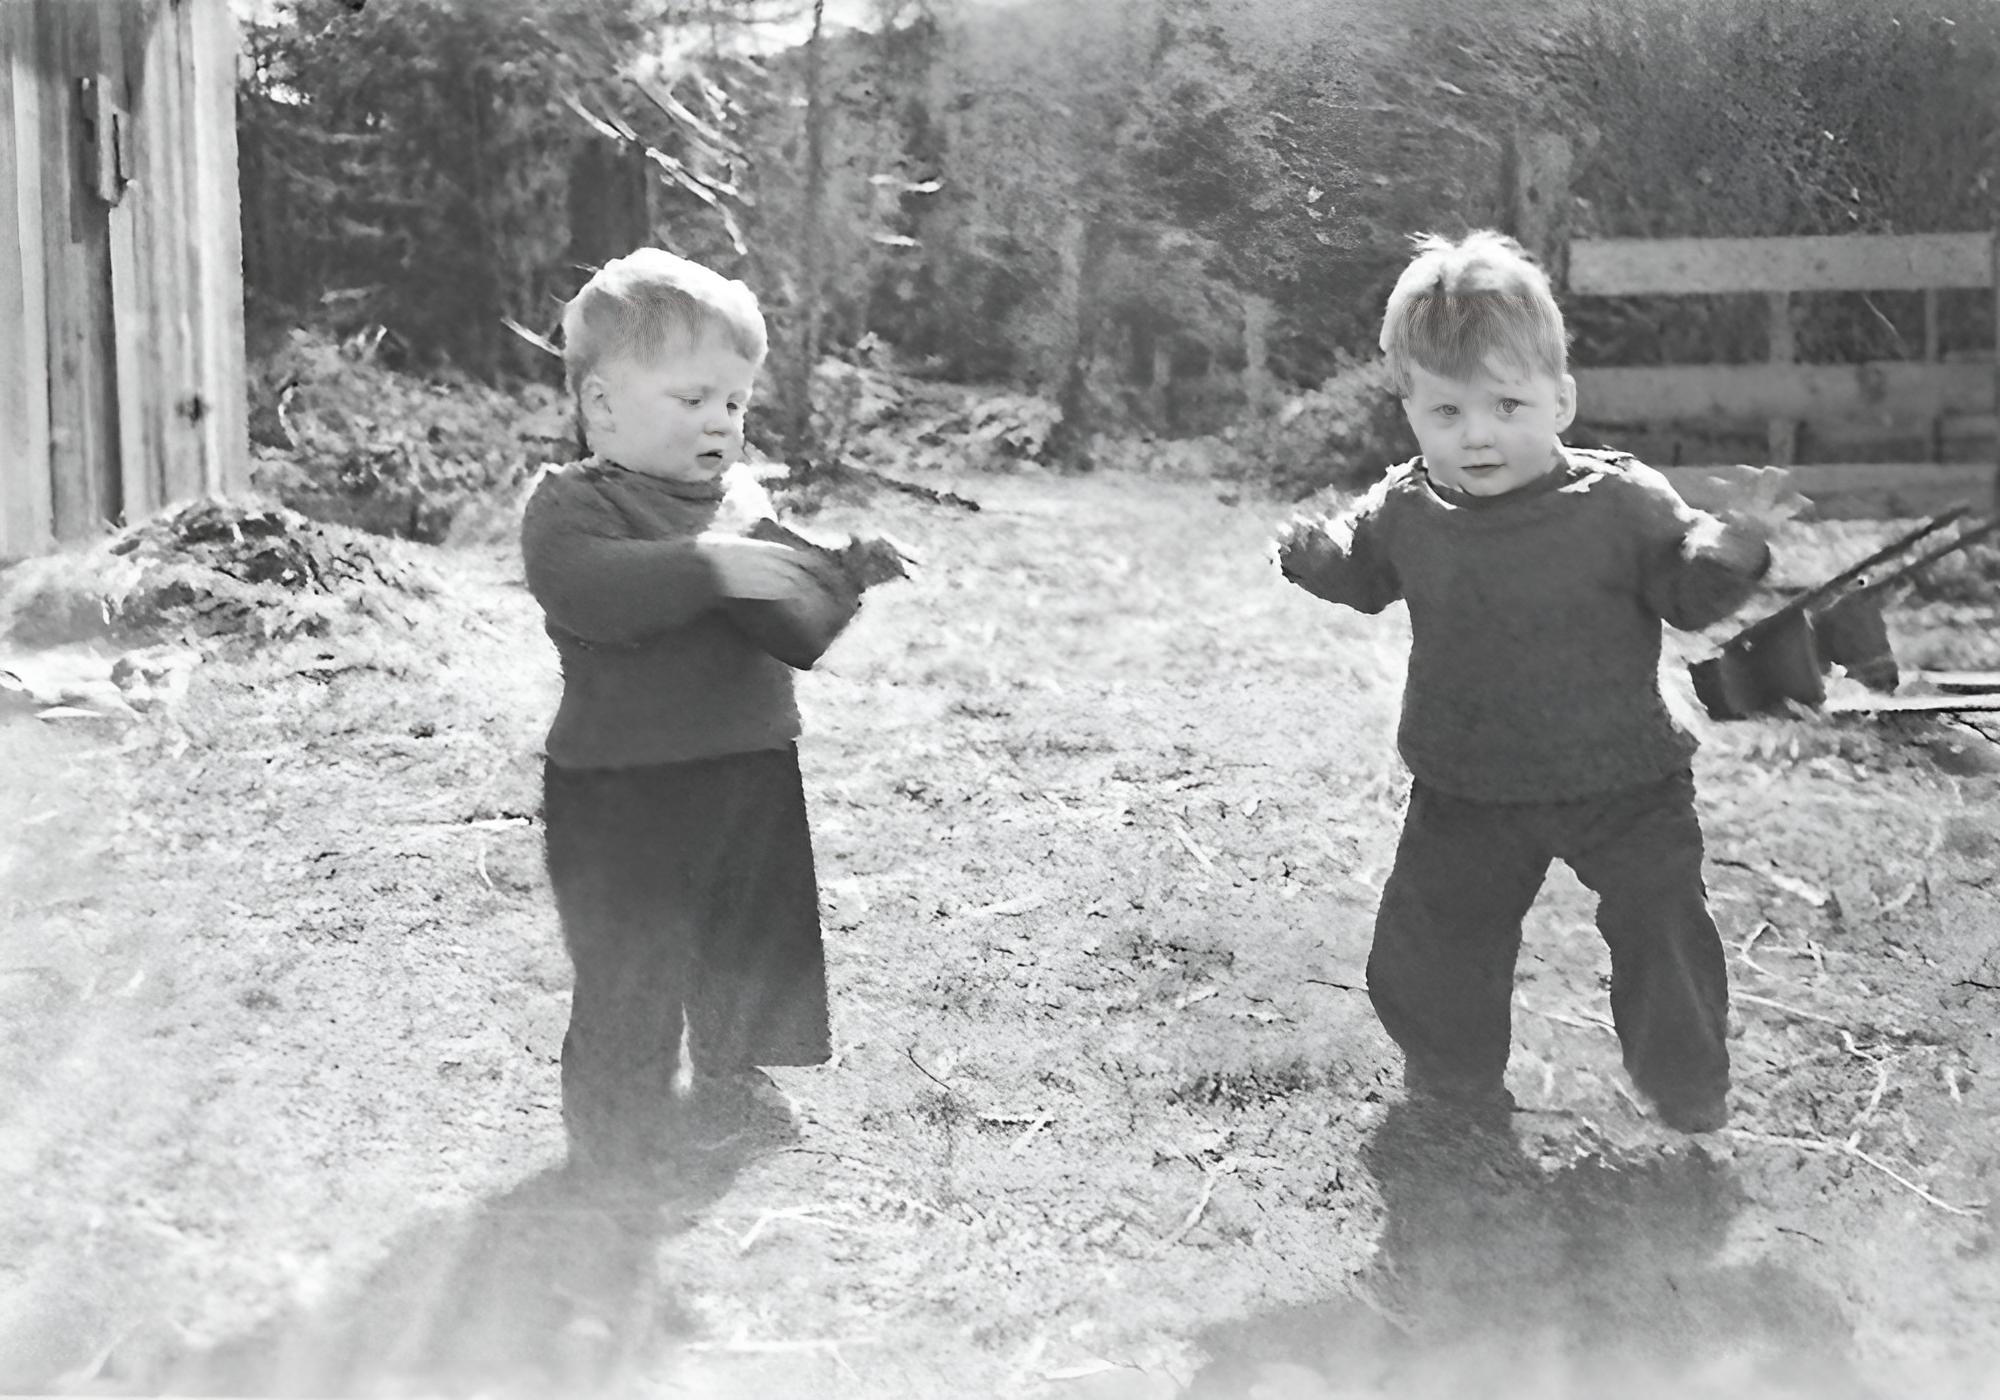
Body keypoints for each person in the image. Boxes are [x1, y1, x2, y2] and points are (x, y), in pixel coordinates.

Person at [1276, 230, 1798, 1133]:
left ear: (1562, 400)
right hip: (1467, 778)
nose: (1478, 434)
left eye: (1507, 404)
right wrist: (1312, 553)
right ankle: (1453, 1078)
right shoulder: (1408, 507)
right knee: (1435, 934)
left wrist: (1732, 547)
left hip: (1624, 774)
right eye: (1446, 411)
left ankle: (1686, 1082)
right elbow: (1361, 571)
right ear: (1411, 412)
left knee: (1662, 922)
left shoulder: (1619, 501)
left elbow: (1686, 593)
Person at [520, 247, 875, 1177]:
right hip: (621, 786)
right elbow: (591, 593)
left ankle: (734, 1081)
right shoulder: (572, 507)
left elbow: (794, 632)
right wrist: (707, 565)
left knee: (747, 938)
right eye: (693, 399)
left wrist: (841, 575)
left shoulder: (740, 504)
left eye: (736, 403)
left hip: (749, 767)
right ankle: (616, 1131)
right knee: (630, 962)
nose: (721, 421)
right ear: (603, 406)